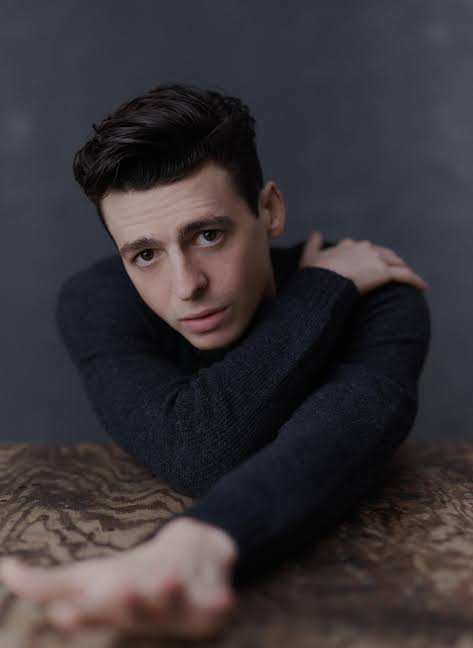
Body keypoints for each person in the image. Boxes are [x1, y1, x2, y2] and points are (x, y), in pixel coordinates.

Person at [0, 83, 430, 640]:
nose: (186, 286)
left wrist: (195, 547)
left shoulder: (378, 295)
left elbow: (327, 436)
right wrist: (320, 291)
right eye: (146, 254)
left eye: (207, 235)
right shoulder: (96, 301)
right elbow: (198, 449)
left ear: (269, 210)